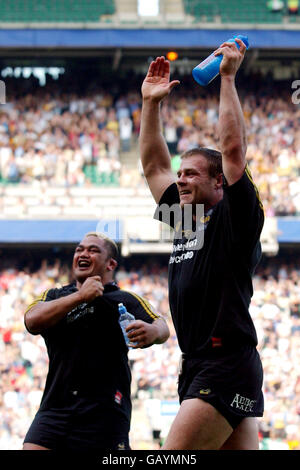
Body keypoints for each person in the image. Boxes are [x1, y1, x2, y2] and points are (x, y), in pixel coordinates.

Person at [139, 40, 265, 450]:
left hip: (224, 365)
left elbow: (232, 151)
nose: (180, 180)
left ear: (218, 184)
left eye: (191, 174)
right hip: (198, 365)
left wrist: (227, 77)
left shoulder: (235, 218)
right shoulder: (185, 217)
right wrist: (151, 105)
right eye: (181, 173)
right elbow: (155, 166)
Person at [23, 232, 169, 451]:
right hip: (56, 408)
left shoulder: (125, 299)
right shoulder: (54, 296)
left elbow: (162, 326)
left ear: (110, 264)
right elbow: (31, 321)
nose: (83, 253)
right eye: (79, 249)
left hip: (105, 412)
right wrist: (80, 296)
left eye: (93, 250)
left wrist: (153, 332)